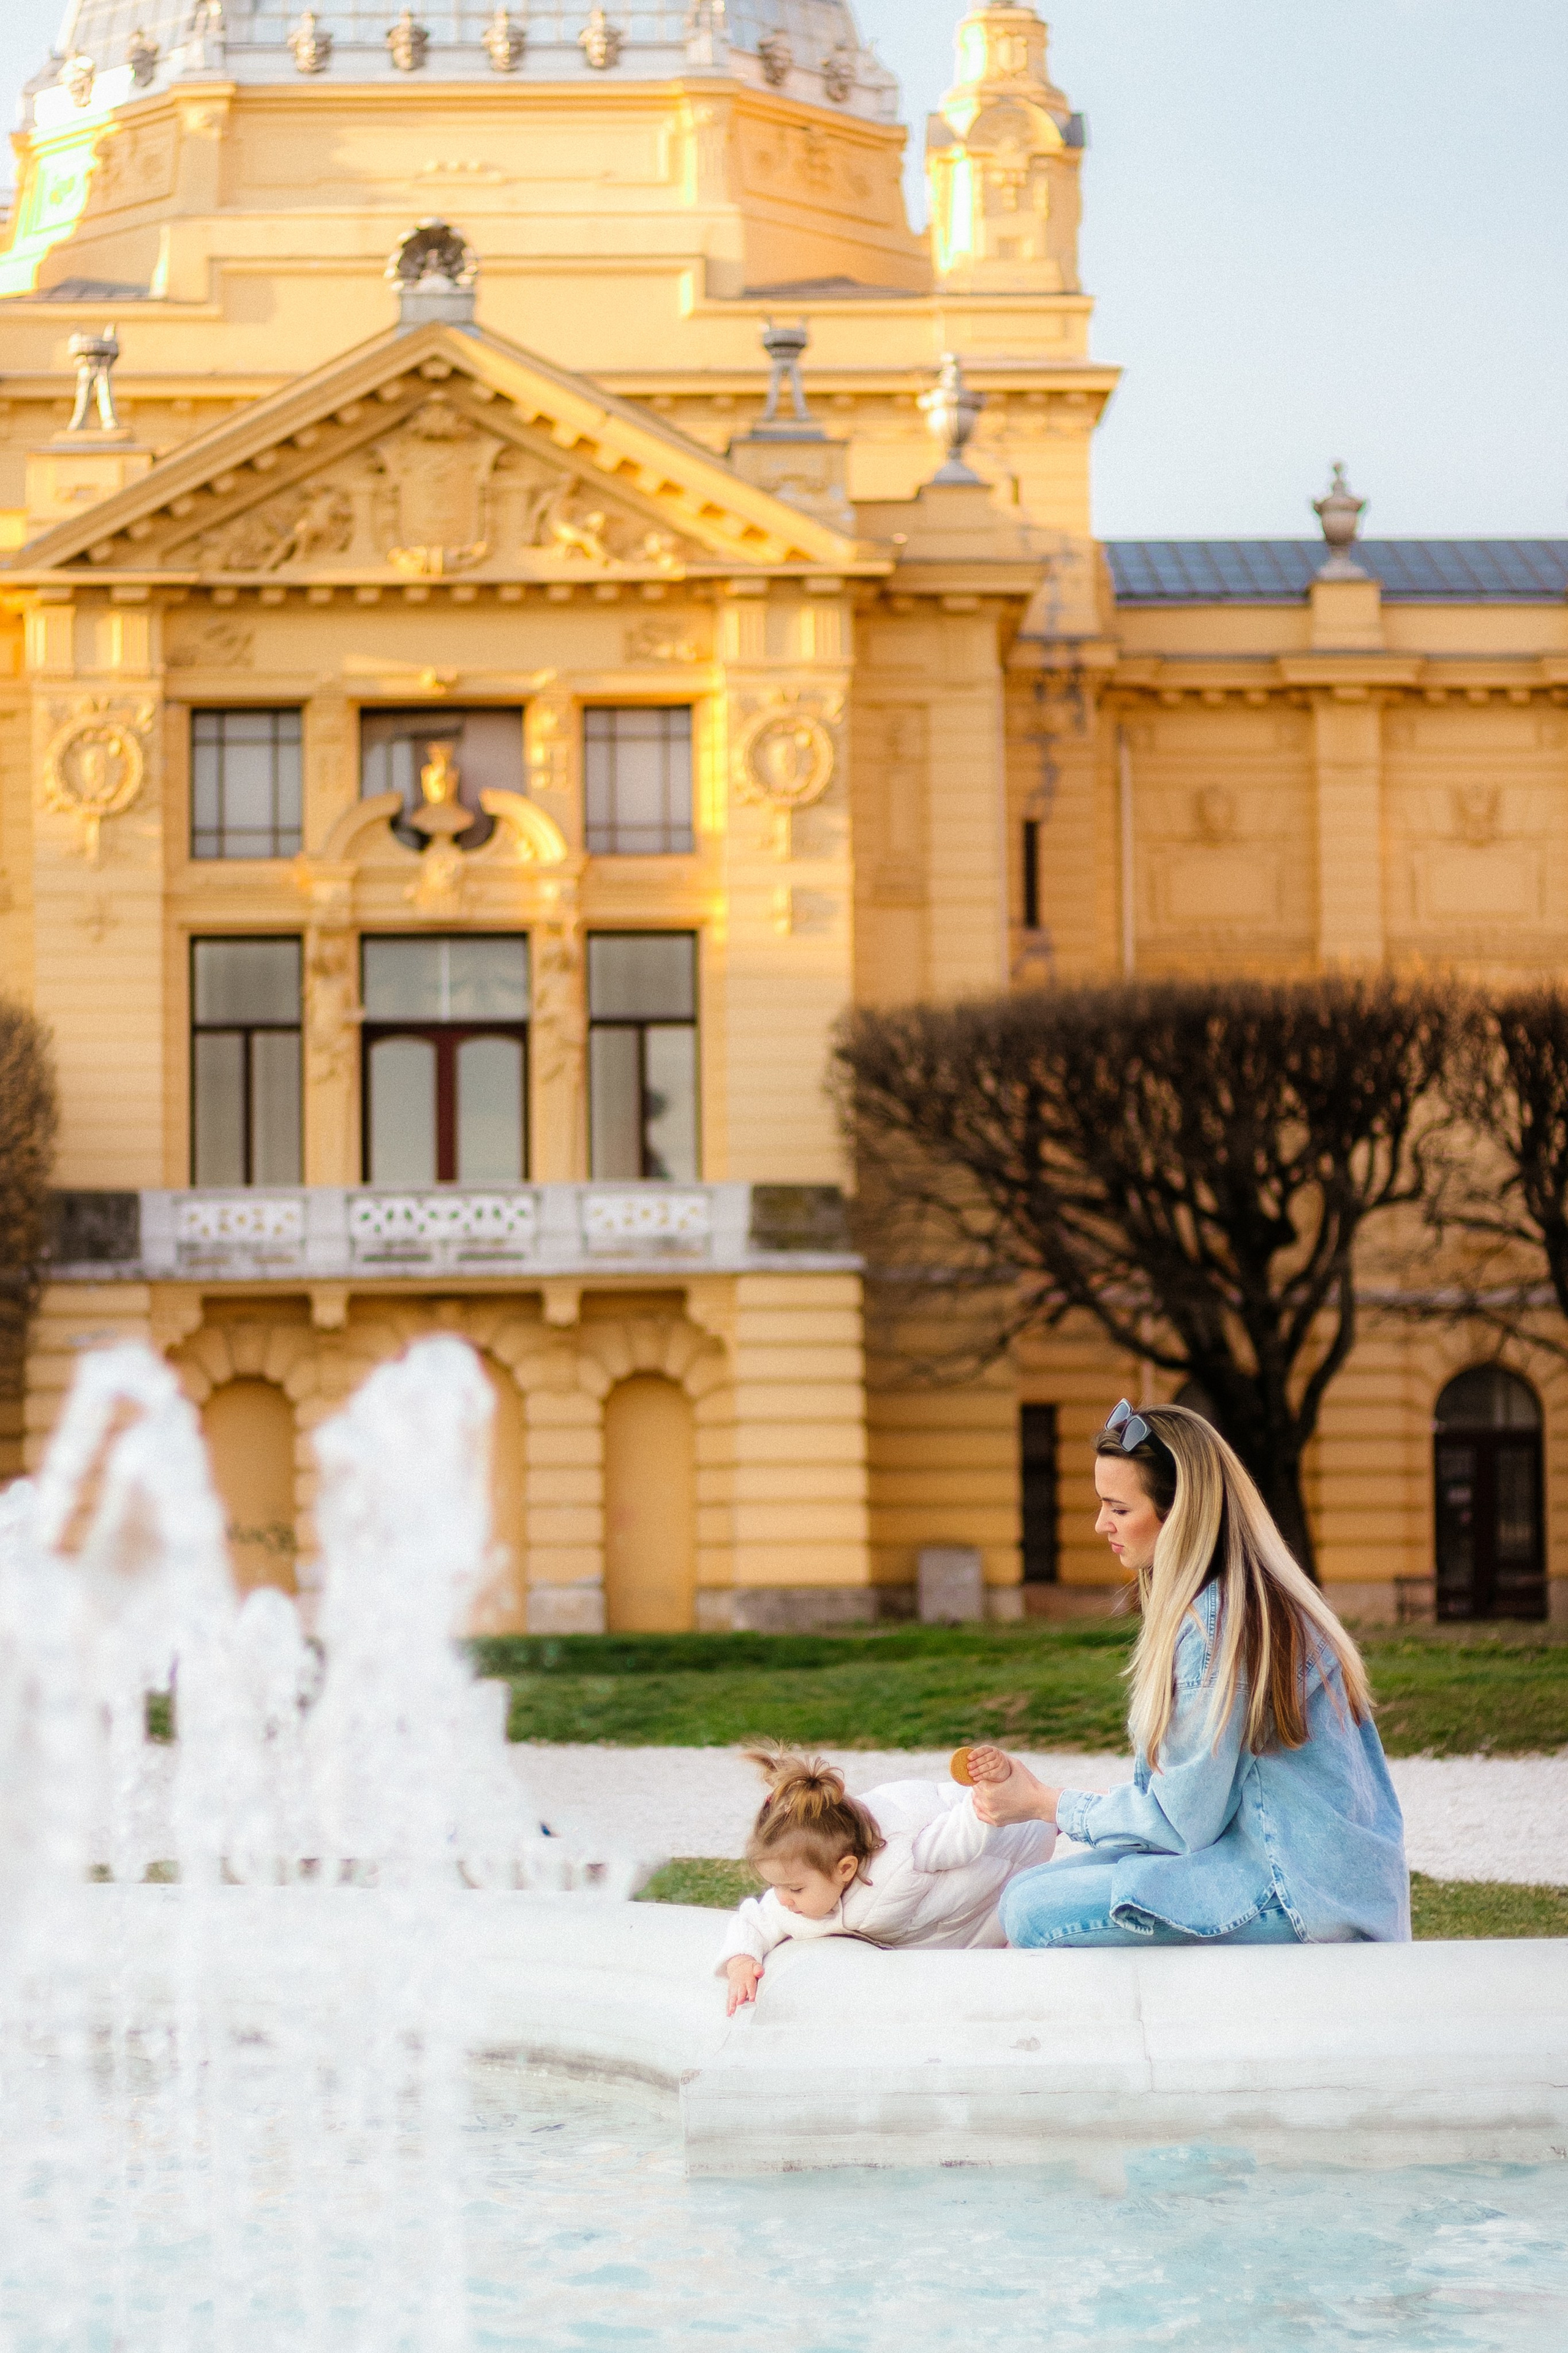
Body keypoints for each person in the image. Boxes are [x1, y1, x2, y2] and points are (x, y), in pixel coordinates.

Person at [973, 1401, 1410, 1948]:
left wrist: (1042, 1800)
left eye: (1119, 1509)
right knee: (1027, 1890)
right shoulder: (1242, 1601)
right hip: (1308, 1876)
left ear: (1180, 1514)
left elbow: (1181, 1825)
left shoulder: (1218, 1627)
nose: (1100, 1524)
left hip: (1302, 1894)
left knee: (1034, 1911)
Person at [717, 1747, 1055, 2013]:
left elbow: (965, 1831)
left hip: (998, 1877)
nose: (783, 1899)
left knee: (1023, 1950)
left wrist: (990, 1784)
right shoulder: (801, 1897)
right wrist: (742, 1960)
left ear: (845, 1869)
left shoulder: (906, 1856)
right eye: (775, 1886)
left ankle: (1070, 1811)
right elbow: (756, 1920)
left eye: (794, 1888)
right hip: (949, 1927)